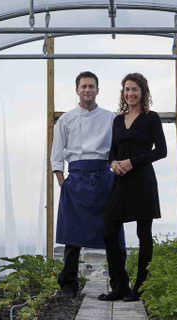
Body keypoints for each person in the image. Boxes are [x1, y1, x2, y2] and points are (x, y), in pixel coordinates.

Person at [51, 71, 125, 298]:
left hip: (104, 178)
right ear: (77, 90)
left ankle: (119, 284)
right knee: (72, 236)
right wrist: (64, 184)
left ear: (97, 90)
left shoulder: (111, 118)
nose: (87, 90)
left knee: (112, 233)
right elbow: (56, 154)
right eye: (83, 86)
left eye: (91, 86)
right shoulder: (66, 119)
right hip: (76, 179)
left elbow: (119, 149)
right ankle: (68, 284)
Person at [98, 73, 167, 302]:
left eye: (135, 89)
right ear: (123, 93)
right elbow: (112, 150)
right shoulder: (118, 120)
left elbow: (161, 151)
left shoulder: (151, 118)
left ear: (143, 92)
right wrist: (113, 163)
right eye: (127, 89)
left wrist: (132, 162)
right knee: (109, 229)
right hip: (120, 182)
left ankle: (140, 287)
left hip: (143, 182)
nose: (130, 94)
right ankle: (120, 286)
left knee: (143, 234)